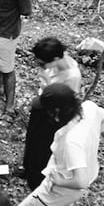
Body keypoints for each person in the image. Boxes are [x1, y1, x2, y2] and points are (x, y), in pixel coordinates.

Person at [1, 84, 104, 206]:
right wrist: (91, 142)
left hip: (62, 186)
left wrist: (58, 179)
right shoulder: (89, 108)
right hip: (82, 178)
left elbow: (80, 182)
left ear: (57, 112)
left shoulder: (72, 141)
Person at [20, 37, 82, 189]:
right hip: (42, 104)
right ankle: (27, 168)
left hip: (52, 115)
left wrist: (48, 81)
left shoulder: (72, 76)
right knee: (32, 139)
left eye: (42, 63)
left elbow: (63, 100)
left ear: (55, 58)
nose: (41, 66)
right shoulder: (57, 62)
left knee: (42, 146)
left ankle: (36, 177)